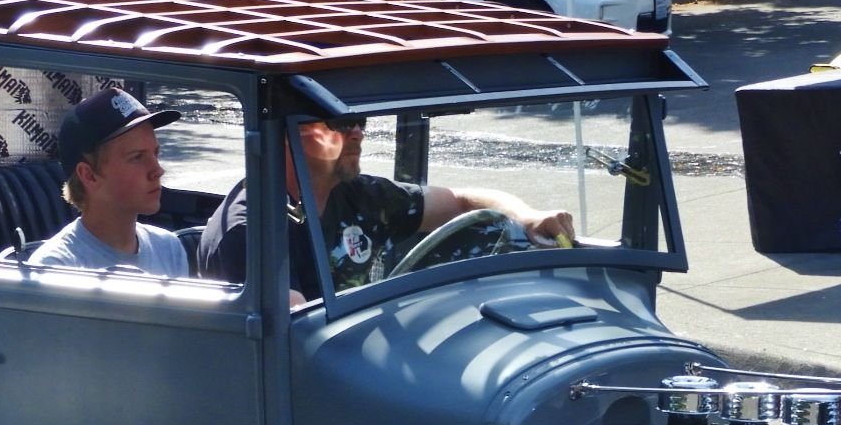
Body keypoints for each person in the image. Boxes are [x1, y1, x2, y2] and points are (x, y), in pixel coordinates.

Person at [199, 115, 574, 299]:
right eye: (341, 123)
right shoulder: (251, 230)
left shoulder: (362, 195)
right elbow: (294, 330)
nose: (357, 133)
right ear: (291, 134)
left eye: (358, 121)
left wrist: (527, 217)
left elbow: (461, 201)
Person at [28, 89, 190, 277]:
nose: (158, 170)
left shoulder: (169, 249)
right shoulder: (55, 267)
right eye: (137, 157)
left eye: (156, 154)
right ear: (89, 176)